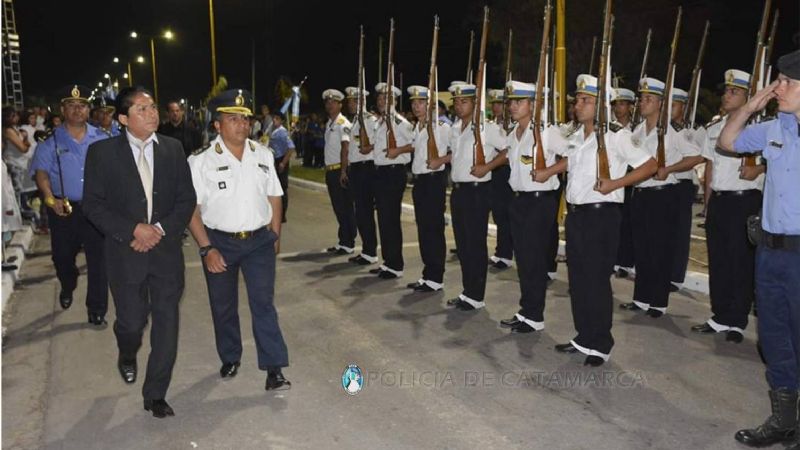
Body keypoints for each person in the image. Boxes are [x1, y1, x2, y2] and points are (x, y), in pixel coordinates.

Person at [83, 86, 196, 418]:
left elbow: (185, 200)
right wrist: (133, 229)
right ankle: (127, 351)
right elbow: (93, 205)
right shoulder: (102, 154)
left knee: (167, 324)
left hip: (165, 254)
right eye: (142, 109)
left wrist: (158, 230)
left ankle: (155, 393)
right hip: (125, 252)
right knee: (131, 323)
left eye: (153, 108)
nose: (152, 114)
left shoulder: (173, 149)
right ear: (123, 118)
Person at [538, 75, 656, 365]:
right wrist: (550, 171)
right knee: (578, 280)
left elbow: (650, 165)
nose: (577, 105)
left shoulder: (616, 135)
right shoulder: (579, 135)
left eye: (585, 101)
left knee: (596, 280)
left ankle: (601, 342)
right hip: (577, 216)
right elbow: (572, 160)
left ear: (599, 105)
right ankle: (584, 336)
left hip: (601, 216)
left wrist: (616, 184)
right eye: (577, 100)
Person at [717, 50, 800, 450]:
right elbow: (727, 140)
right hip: (769, 251)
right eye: (778, 80)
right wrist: (752, 104)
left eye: (787, 83)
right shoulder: (772, 128)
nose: (778, 87)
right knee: (773, 337)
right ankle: (784, 420)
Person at [186, 89, 290, 392]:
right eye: (233, 119)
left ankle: (274, 368)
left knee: (264, 304)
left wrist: (275, 235)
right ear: (217, 125)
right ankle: (230, 356)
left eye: (245, 119)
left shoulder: (262, 154)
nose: (242, 125)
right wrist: (207, 248)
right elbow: (191, 209)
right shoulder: (201, 161)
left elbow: (274, 196)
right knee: (223, 305)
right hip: (220, 242)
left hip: (259, 241)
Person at [618, 77, 702, 318]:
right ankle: (641, 298)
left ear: (660, 104)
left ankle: (657, 302)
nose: (642, 103)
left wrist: (670, 169)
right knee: (641, 247)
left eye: (648, 99)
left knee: (660, 248)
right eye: (641, 98)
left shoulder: (673, 131)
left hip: (663, 196)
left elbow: (696, 157)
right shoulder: (637, 130)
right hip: (641, 194)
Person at [691, 70, 764, 343]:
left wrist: (757, 169)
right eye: (727, 91)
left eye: (734, 92)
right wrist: (708, 203)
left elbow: (775, 160)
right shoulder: (715, 129)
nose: (727, 95)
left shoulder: (758, 131)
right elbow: (711, 166)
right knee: (719, 260)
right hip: (720, 201)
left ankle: (737, 320)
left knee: (740, 262)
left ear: (749, 97)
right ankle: (720, 315)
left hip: (744, 202)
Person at [30, 85, 109, 325]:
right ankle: (68, 282)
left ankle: (96, 310)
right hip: (63, 209)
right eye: (72, 105)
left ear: (88, 109)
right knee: (62, 257)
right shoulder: (51, 140)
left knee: (99, 261)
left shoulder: (103, 138)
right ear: (63, 109)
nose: (77, 109)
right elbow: (41, 173)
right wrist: (49, 199)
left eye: (82, 105)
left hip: (96, 209)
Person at [428, 81, 506, 310]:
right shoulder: (455, 128)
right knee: (463, 245)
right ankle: (467, 291)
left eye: (464, 101)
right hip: (459, 191)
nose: (459, 106)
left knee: (475, 244)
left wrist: (488, 166)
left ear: (475, 102)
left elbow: (509, 150)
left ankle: (476, 295)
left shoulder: (487, 128)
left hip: (477, 192)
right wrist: (442, 160)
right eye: (457, 102)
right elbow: (455, 155)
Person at [496, 80, 566, 331]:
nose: (513, 106)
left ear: (533, 104)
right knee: (524, 259)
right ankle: (526, 311)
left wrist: (548, 171)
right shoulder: (515, 132)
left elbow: (573, 156)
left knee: (534, 260)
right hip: (518, 200)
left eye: (519, 102)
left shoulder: (547, 131)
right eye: (511, 102)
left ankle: (535, 316)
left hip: (539, 202)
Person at [404, 85, 449, 292]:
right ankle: (428, 274)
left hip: (433, 181)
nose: (416, 106)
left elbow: (457, 151)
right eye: (413, 103)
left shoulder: (441, 127)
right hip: (420, 182)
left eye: (420, 102)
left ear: (430, 105)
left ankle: (436, 276)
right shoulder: (418, 127)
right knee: (423, 229)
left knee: (433, 229)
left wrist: (441, 159)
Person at [369, 82, 414, 279]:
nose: (381, 102)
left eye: (385, 99)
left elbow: (415, 144)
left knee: (391, 220)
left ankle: (396, 265)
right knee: (384, 220)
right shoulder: (380, 123)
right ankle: (388, 262)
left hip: (393, 173)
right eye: (379, 98)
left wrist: (399, 151)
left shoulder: (400, 123)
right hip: (380, 172)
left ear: (394, 101)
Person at [344, 86, 380, 266]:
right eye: (349, 101)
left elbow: (378, 142)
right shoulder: (356, 121)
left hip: (366, 169)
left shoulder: (370, 120)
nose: (349, 104)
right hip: (357, 169)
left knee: (365, 211)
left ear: (360, 102)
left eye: (352, 101)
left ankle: (371, 251)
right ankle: (367, 250)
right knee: (361, 212)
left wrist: (369, 148)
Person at [668, 87, 699, 291]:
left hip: (683, 185)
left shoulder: (695, 131)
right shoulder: (661, 129)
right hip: (665, 185)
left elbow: (702, 157)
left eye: (674, 105)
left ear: (684, 106)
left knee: (678, 233)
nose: (669, 109)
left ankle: (675, 277)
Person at [321, 89, 358, 255]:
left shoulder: (343, 124)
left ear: (340, 105)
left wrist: (343, 171)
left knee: (345, 207)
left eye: (333, 102)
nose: (330, 105)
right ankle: (343, 240)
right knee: (338, 207)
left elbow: (346, 148)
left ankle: (349, 241)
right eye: (328, 102)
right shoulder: (330, 124)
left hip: (340, 171)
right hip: (331, 170)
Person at [487, 88, 514, 270]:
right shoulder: (490, 124)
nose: (496, 107)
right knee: (497, 213)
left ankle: (505, 254)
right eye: (494, 104)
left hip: (506, 171)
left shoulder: (512, 125)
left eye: (500, 104)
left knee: (506, 214)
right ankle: (500, 251)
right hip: (493, 173)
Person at [268, 112, 295, 222]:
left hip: (281, 160)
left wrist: (283, 163)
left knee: (282, 188)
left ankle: (282, 215)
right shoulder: (274, 131)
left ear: (282, 120)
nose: (274, 120)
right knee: (275, 188)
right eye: (274, 118)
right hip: (275, 160)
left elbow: (291, 148)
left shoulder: (283, 132)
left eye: (277, 118)